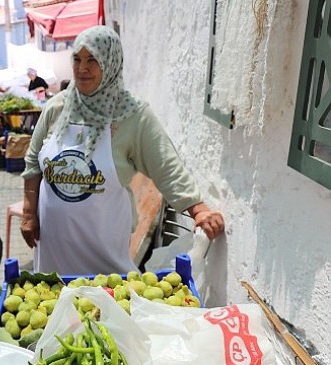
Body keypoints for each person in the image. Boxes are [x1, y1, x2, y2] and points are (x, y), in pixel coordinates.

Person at [20, 26, 225, 276]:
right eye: (77, 58)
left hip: (102, 250)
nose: (82, 68)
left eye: (93, 59)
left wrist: (198, 209)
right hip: (53, 246)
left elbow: (166, 167)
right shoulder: (57, 107)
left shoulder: (132, 115)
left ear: (111, 63)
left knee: (102, 305)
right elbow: (33, 162)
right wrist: (29, 213)